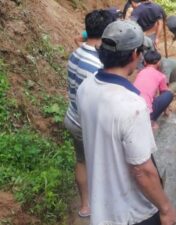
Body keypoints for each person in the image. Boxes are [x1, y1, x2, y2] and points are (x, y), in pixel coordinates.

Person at [76, 20, 176, 225]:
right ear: (134, 55)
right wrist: (166, 208)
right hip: (132, 213)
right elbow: (141, 170)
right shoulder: (132, 105)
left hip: (102, 208)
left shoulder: (85, 87)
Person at [64, 9, 115, 218]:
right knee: (103, 162)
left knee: (82, 160)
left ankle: (85, 206)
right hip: (89, 124)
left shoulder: (76, 53)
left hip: (72, 117)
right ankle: (106, 204)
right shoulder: (98, 65)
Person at [134, 50, 174, 129]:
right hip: (144, 112)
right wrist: (166, 111)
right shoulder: (161, 76)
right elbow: (164, 93)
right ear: (159, 62)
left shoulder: (140, 72)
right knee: (168, 94)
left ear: (145, 62)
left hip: (132, 108)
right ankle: (152, 121)